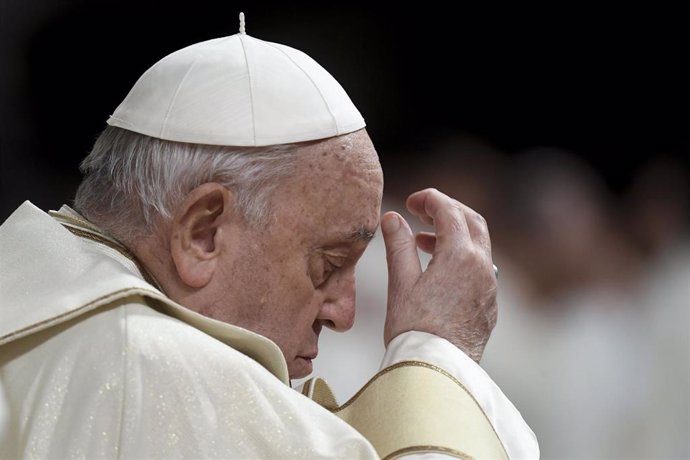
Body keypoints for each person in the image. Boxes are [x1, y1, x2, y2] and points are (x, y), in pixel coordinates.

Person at [0, 15, 538, 459]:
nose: (344, 314)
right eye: (328, 264)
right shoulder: (161, 375)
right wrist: (439, 355)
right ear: (202, 233)